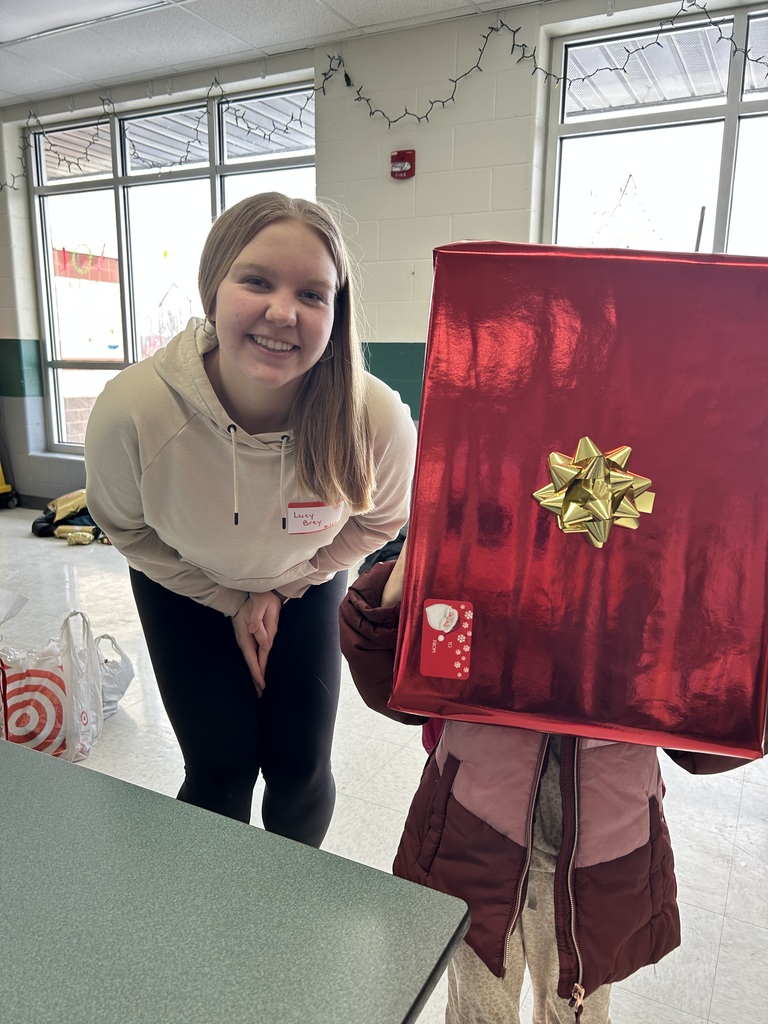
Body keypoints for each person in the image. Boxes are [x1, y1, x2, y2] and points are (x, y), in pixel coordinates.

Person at [85, 192, 417, 845]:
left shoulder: (373, 417)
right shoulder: (134, 411)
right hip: (183, 585)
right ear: (213, 288)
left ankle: (284, 925)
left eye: (313, 294)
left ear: (335, 311)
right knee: (221, 768)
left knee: (299, 769)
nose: (283, 312)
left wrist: (282, 586)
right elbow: (125, 526)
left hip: (307, 587)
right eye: (257, 281)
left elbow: (382, 521)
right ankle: (214, 924)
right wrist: (227, 597)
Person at [339, 538, 751, 1023]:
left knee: (573, 1015)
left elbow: (710, 737)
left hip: (602, 852)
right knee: (478, 1013)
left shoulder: (665, 535)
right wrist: (430, 529)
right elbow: (390, 677)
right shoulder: (484, 509)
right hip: (474, 834)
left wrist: (734, 610)